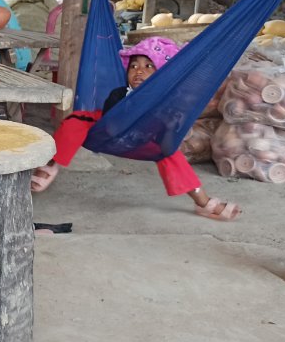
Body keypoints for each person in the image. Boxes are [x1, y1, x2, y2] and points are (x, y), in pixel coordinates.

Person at [31, 36, 241, 221]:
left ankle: (202, 201)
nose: (139, 70)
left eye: (149, 66)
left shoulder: (169, 103)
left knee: (171, 156)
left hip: (143, 137)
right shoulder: (120, 93)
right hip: (104, 128)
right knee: (75, 121)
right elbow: (111, 125)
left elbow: (167, 142)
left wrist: (167, 127)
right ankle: (51, 164)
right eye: (133, 66)